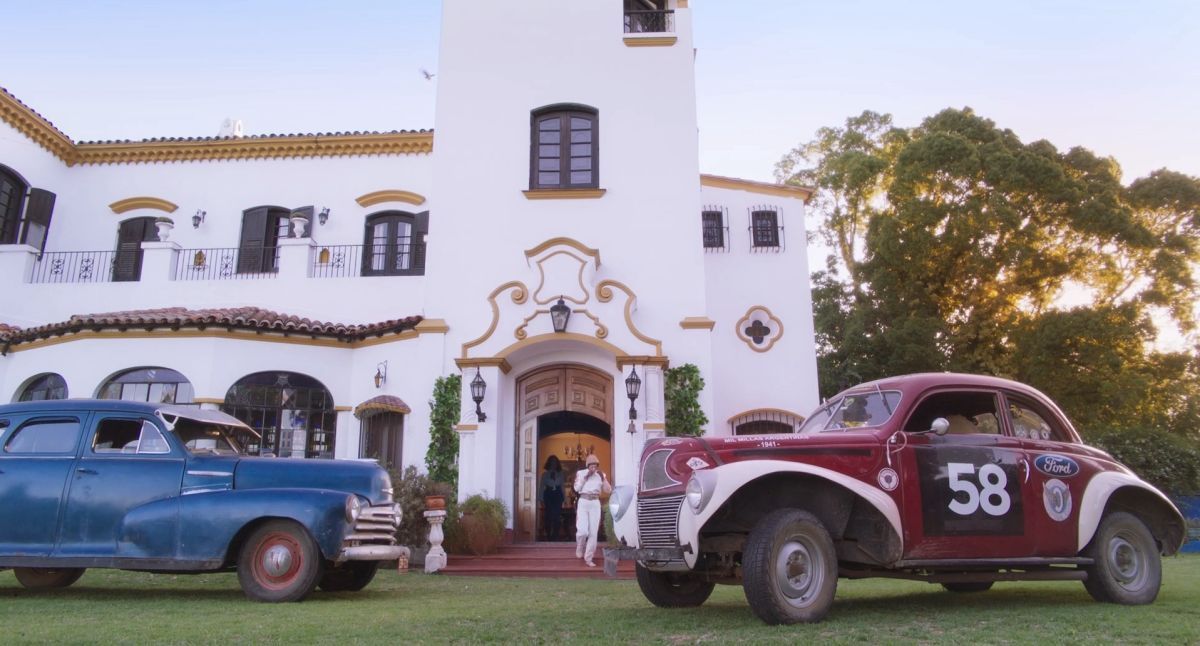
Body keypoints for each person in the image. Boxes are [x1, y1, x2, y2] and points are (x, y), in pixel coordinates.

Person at [573, 453, 609, 567]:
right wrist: (586, 477)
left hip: (595, 503)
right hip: (583, 501)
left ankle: (588, 558)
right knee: (582, 531)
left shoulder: (601, 474)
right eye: (591, 466)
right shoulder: (581, 473)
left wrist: (603, 478)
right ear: (587, 465)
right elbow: (576, 488)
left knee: (593, 533)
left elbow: (608, 490)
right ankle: (580, 546)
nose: (593, 468)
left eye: (595, 466)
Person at [539, 455, 565, 540]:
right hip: (548, 495)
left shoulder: (560, 474)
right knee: (548, 516)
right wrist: (541, 499)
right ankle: (549, 535)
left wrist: (564, 499)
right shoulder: (545, 475)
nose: (553, 463)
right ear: (549, 463)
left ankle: (555, 535)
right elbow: (542, 487)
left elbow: (562, 487)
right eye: (552, 461)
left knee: (557, 517)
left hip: (558, 495)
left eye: (555, 462)